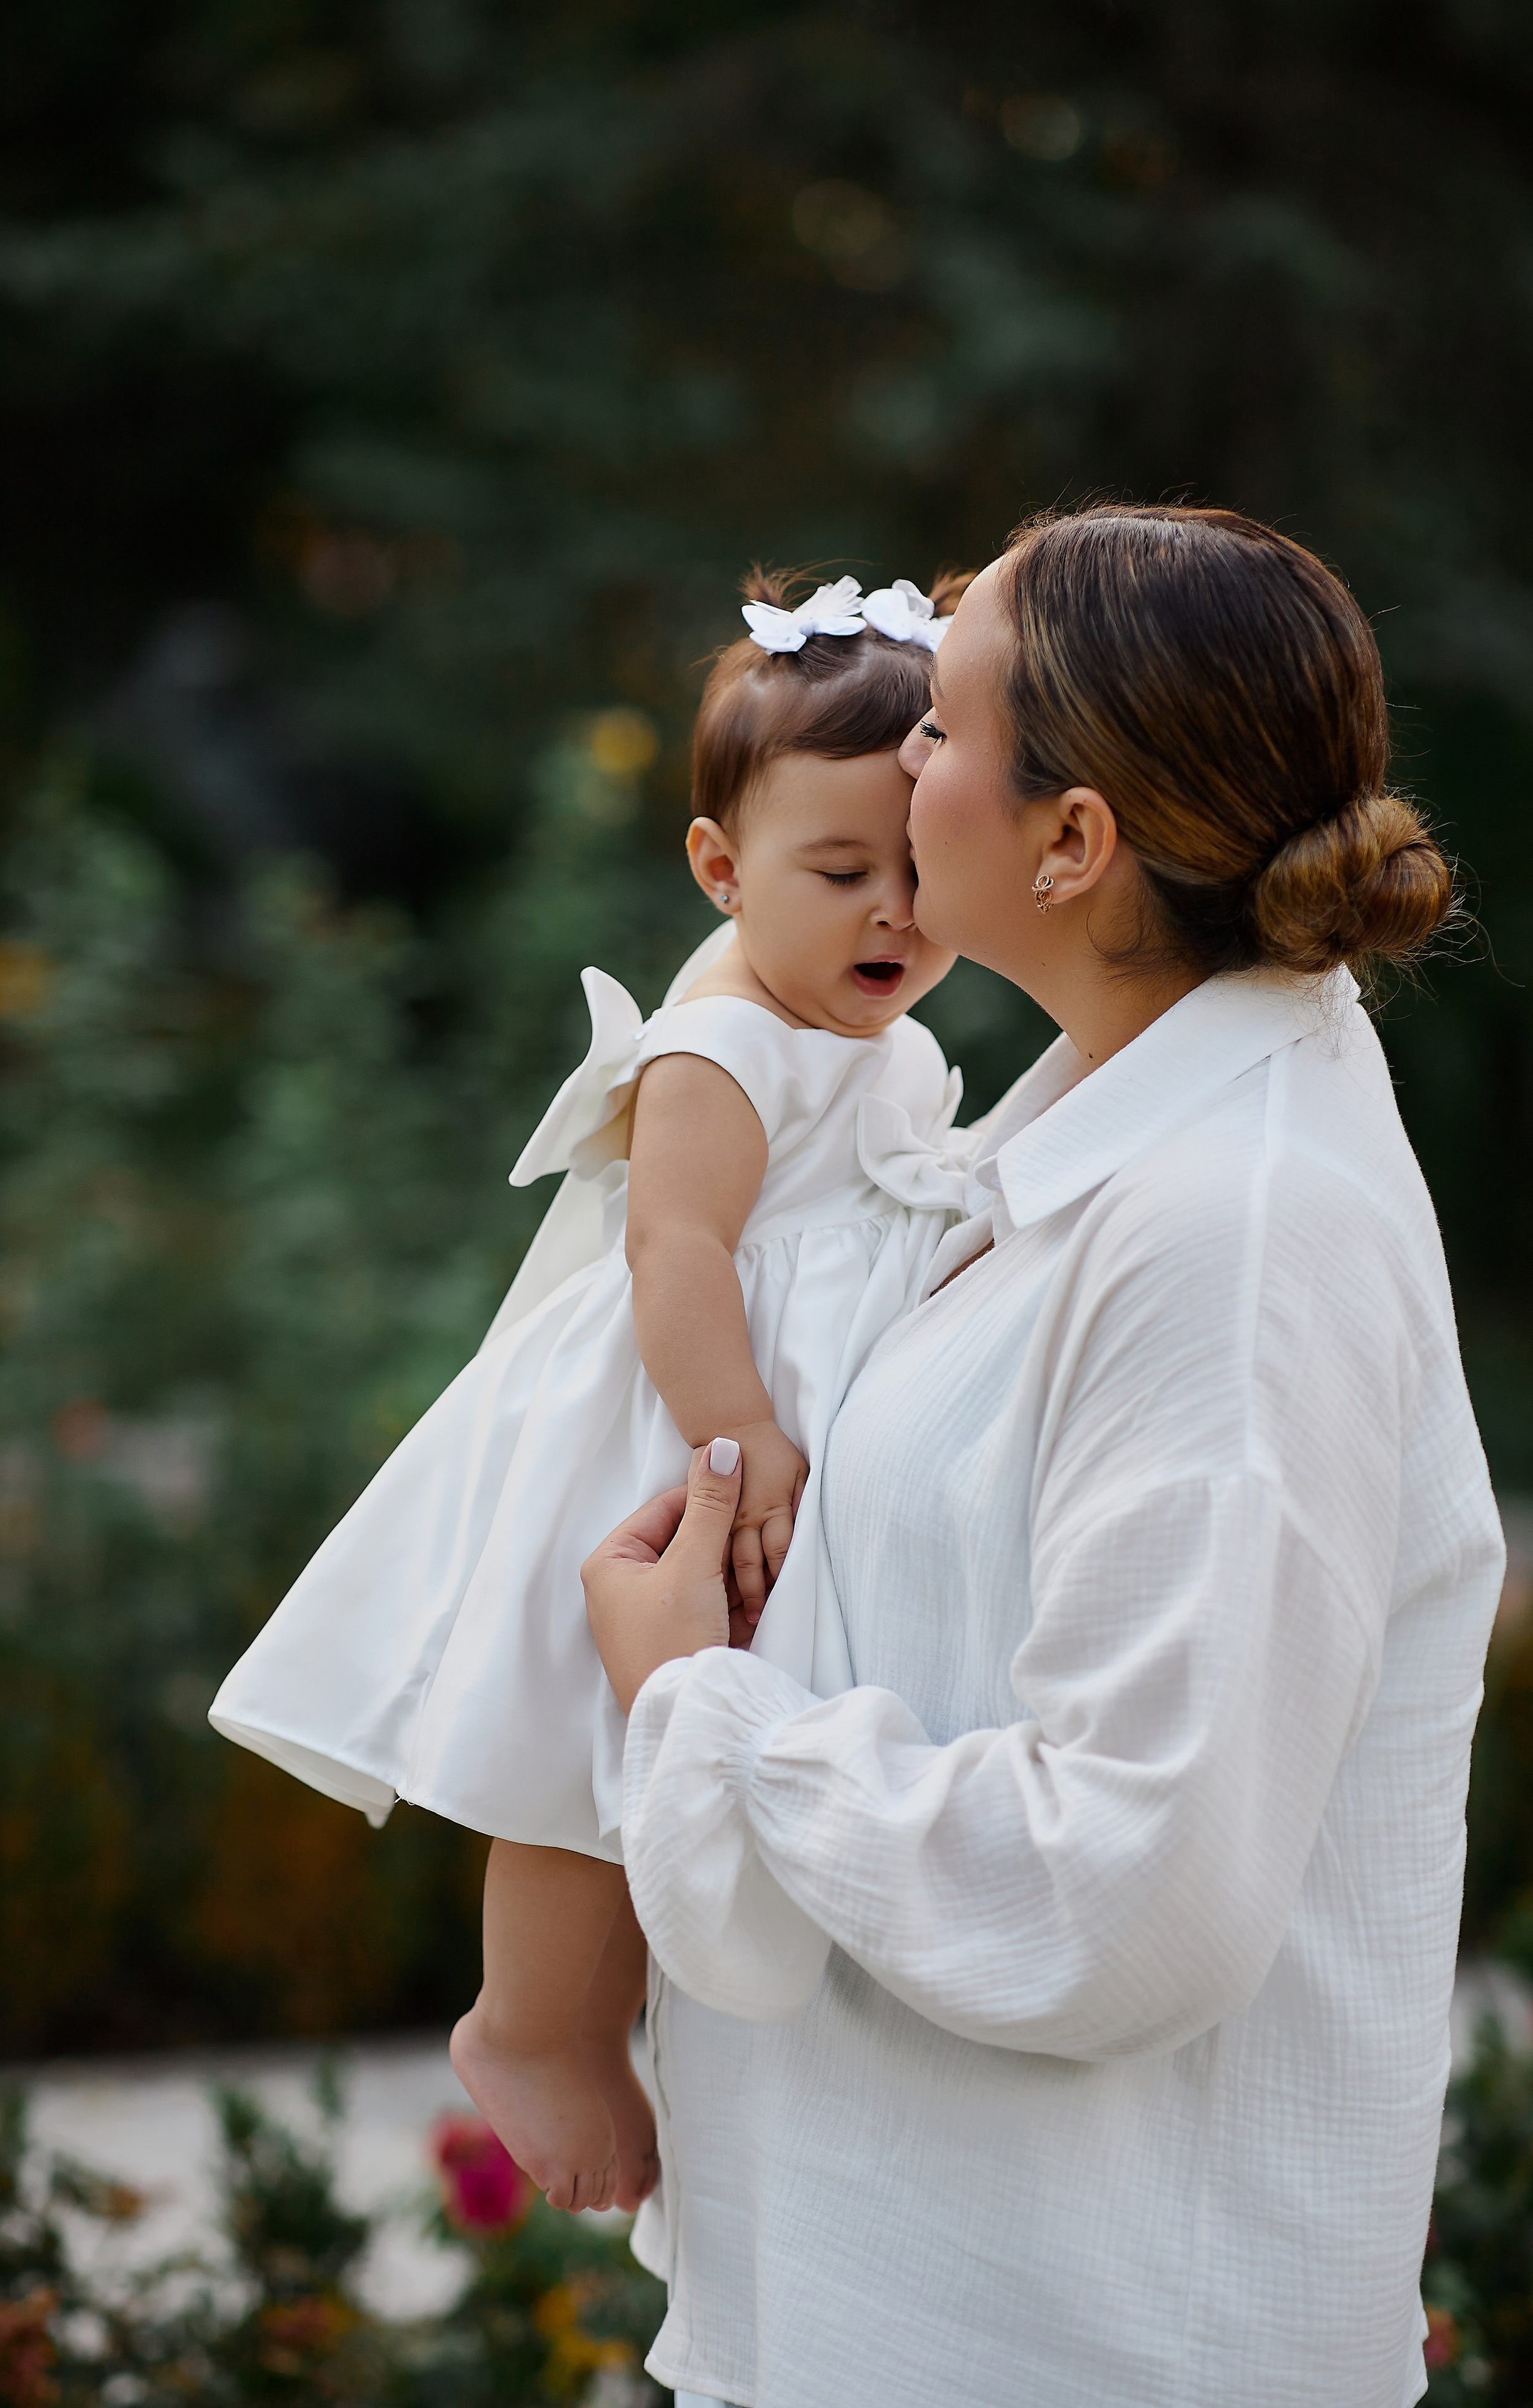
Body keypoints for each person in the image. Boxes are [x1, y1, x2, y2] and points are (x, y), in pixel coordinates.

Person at [582, 505, 1507, 2408]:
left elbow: (1126, 1891)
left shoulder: (1238, 1236)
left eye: (944, 725)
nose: (899, 749)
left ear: (1074, 844)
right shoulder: (1089, 1132)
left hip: (1076, 2346)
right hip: (920, 2315)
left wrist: (702, 1712)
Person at [209, 568, 973, 2213]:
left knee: (703, 1748)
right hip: (670, 1429)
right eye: (840, 872)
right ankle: (537, 2022)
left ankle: (674, 2010)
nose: (892, 915)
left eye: (922, 871)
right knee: (589, 1752)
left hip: (780, 1427)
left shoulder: (894, 1044)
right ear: (720, 868)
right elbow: (679, 1252)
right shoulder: (720, 1046)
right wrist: (742, 1431)